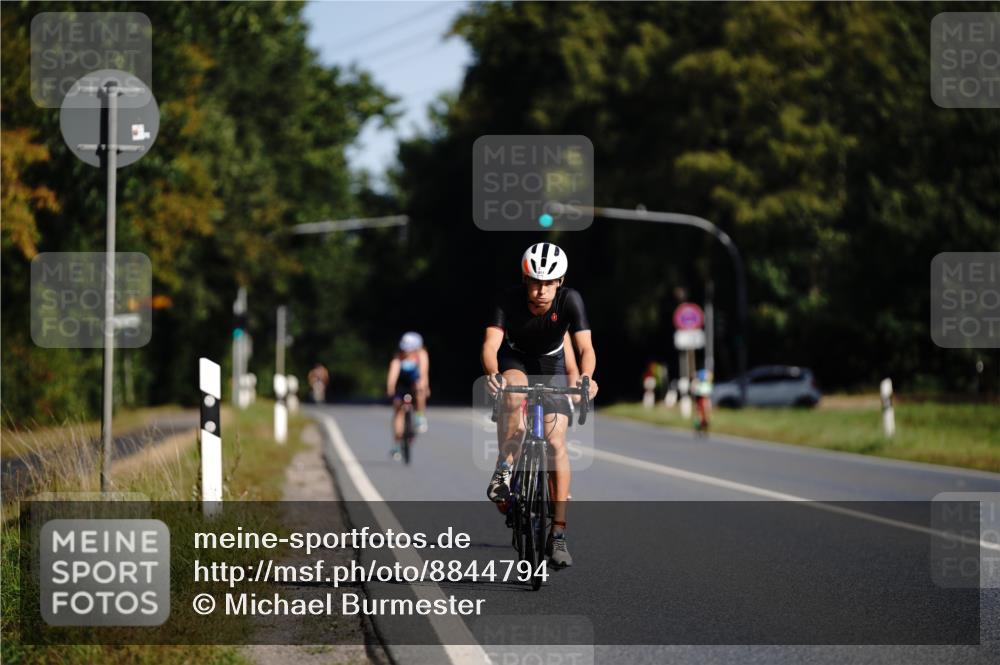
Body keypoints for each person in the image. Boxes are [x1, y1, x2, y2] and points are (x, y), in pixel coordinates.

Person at [481, 243, 598, 568]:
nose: (541, 290)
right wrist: (493, 373)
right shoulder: (508, 299)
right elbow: (491, 345)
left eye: (548, 282)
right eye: (534, 281)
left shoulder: (570, 300)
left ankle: (557, 534)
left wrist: (585, 379)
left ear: (560, 282)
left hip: (552, 366)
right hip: (516, 359)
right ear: (525, 279)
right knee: (514, 392)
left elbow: (585, 347)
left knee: (555, 443)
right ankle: (504, 470)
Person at [386, 332, 430, 458]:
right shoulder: (398, 357)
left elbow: (423, 373)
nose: (405, 351)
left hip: (414, 383)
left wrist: (424, 386)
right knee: (398, 411)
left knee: (420, 388)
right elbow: (393, 374)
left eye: (409, 348)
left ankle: (419, 416)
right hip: (401, 384)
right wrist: (390, 388)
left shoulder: (421, 355)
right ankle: (396, 443)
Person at [692, 368, 713, 435]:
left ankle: (704, 426)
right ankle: (700, 426)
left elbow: (708, 394)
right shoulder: (700, 384)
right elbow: (695, 392)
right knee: (700, 415)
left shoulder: (706, 384)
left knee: (705, 415)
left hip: (705, 400)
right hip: (701, 400)